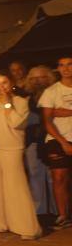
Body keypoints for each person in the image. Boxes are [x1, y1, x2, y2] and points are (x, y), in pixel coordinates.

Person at [0, 71, 41, 240]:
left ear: (12, 83)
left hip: (12, 148)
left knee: (16, 188)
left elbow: (17, 123)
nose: (2, 87)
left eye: (5, 83)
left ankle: (27, 227)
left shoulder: (21, 102)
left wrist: (8, 104)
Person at [39, 56, 72, 229]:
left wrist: (62, 111)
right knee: (59, 177)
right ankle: (62, 215)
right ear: (58, 69)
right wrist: (63, 143)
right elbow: (47, 120)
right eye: (62, 65)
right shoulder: (51, 92)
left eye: (69, 65)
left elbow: (54, 113)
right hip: (57, 139)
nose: (66, 68)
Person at [25, 65, 57, 216]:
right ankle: (40, 212)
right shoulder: (27, 98)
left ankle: (57, 210)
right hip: (33, 141)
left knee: (53, 177)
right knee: (35, 176)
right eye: (34, 78)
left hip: (52, 139)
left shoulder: (55, 94)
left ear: (49, 77)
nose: (37, 81)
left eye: (41, 77)